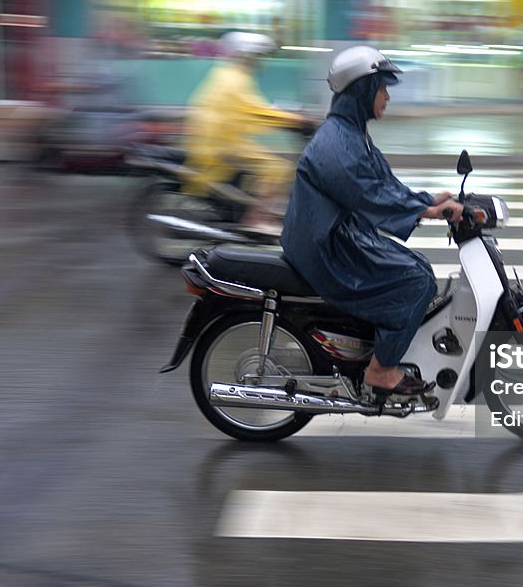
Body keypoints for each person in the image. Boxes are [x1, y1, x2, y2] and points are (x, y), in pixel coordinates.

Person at [280, 46, 463, 395]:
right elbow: (369, 194)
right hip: (327, 248)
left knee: (419, 268)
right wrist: (426, 211)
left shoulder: (351, 133)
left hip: (337, 236)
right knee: (414, 282)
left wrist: (427, 201)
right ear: (363, 90)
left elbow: (381, 184)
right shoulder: (337, 144)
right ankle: (381, 370)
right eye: (382, 88)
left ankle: (368, 344)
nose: (388, 96)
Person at [183, 32, 316, 234]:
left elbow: (252, 108)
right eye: (256, 57)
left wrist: (286, 117)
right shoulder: (234, 80)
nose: (259, 62)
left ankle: (251, 207)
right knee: (276, 168)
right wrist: (297, 121)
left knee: (263, 163)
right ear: (245, 56)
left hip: (219, 139)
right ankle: (256, 219)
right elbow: (255, 111)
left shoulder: (227, 74)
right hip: (221, 143)